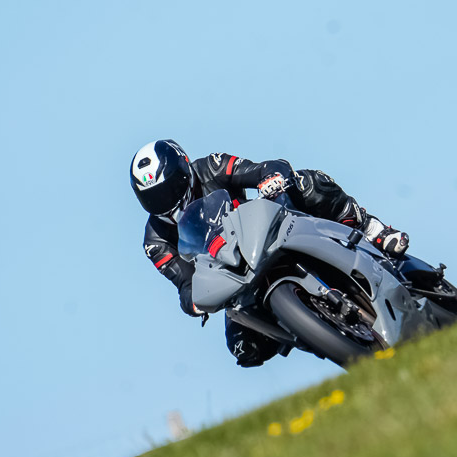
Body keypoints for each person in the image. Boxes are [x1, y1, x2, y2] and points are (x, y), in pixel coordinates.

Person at [130, 139, 409, 367]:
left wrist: (272, 180)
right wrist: (193, 303)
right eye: (154, 198)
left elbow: (265, 168)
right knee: (245, 349)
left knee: (308, 184)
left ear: (185, 169)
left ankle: (372, 228)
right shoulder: (155, 241)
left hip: (263, 233)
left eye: (171, 187)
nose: (167, 201)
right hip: (232, 276)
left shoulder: (212, 166)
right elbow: (184, 284)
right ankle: (324, 331)